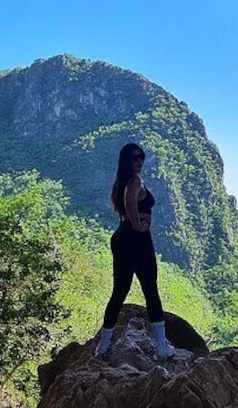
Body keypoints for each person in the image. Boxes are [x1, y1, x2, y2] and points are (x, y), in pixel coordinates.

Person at [94, 143, 176, 360]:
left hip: (121, 238)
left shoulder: (120, 182)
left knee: (119, 293)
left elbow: (125, 202)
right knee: (150, 290)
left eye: (141, 158)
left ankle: (102, 348)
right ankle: (162, 347)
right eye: (134, 158)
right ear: (126, 161)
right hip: (137, 240)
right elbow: (130, 202)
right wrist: (138, 224)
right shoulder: (136, 181)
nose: (138, 162)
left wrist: (132, 222)